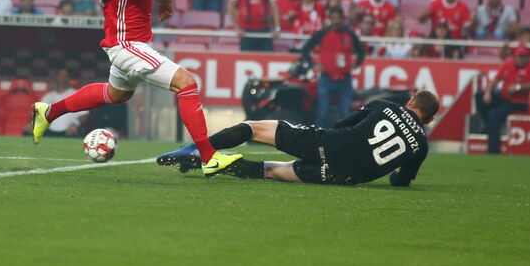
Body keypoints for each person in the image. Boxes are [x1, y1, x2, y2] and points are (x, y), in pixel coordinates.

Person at [30, 0, 242, 176]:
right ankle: (209, 158)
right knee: (186, 83)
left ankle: (48, 112)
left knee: (115, 93)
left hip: (125, 42)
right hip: (127, 44)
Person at [159, 89, 439, 187]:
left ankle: (193, 151)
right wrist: (392, 173)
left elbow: (343, 123)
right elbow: (401, 181)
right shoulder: (421, 147)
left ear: (411, 100)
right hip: (342, 176)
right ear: (428, 119)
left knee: (253, 127)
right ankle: (210, 164)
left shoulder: (385, 106)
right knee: (272, 171)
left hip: (329, 143)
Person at [299, 6, 366, 128]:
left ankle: (344, 140)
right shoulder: (322, 33)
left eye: (339, 18)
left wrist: (356, 64)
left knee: (345, 113)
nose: (336, 21)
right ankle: (317, 139)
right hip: (326, 78)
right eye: (334, 18)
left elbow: (361, 51)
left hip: (345, 79)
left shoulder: (349, 34)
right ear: (330, 19)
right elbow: (305, 49)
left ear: (343, 19)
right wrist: (313, 64)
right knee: (322, 112)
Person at [478, 43, 530, 154]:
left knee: (494, 115)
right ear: (515, 56)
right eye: (518, 56)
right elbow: (496, 79)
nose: (520, 59)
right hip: (504, 98)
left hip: (519, 102)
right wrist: (488, 92)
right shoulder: (509, 64)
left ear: (528, 57)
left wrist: (519, 87)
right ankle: (487, 125)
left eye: (523, 57)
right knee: (479, 96)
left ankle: (493, 151)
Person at [39, 69, 87, 137]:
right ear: (56, 78)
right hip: (49, 132)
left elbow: (85, 115)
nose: (63, 78)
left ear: (69, 79)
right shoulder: (48, 96)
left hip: (70, 132)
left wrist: (75, 124)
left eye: (66, 76)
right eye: (61, 75)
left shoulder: (77, 95)